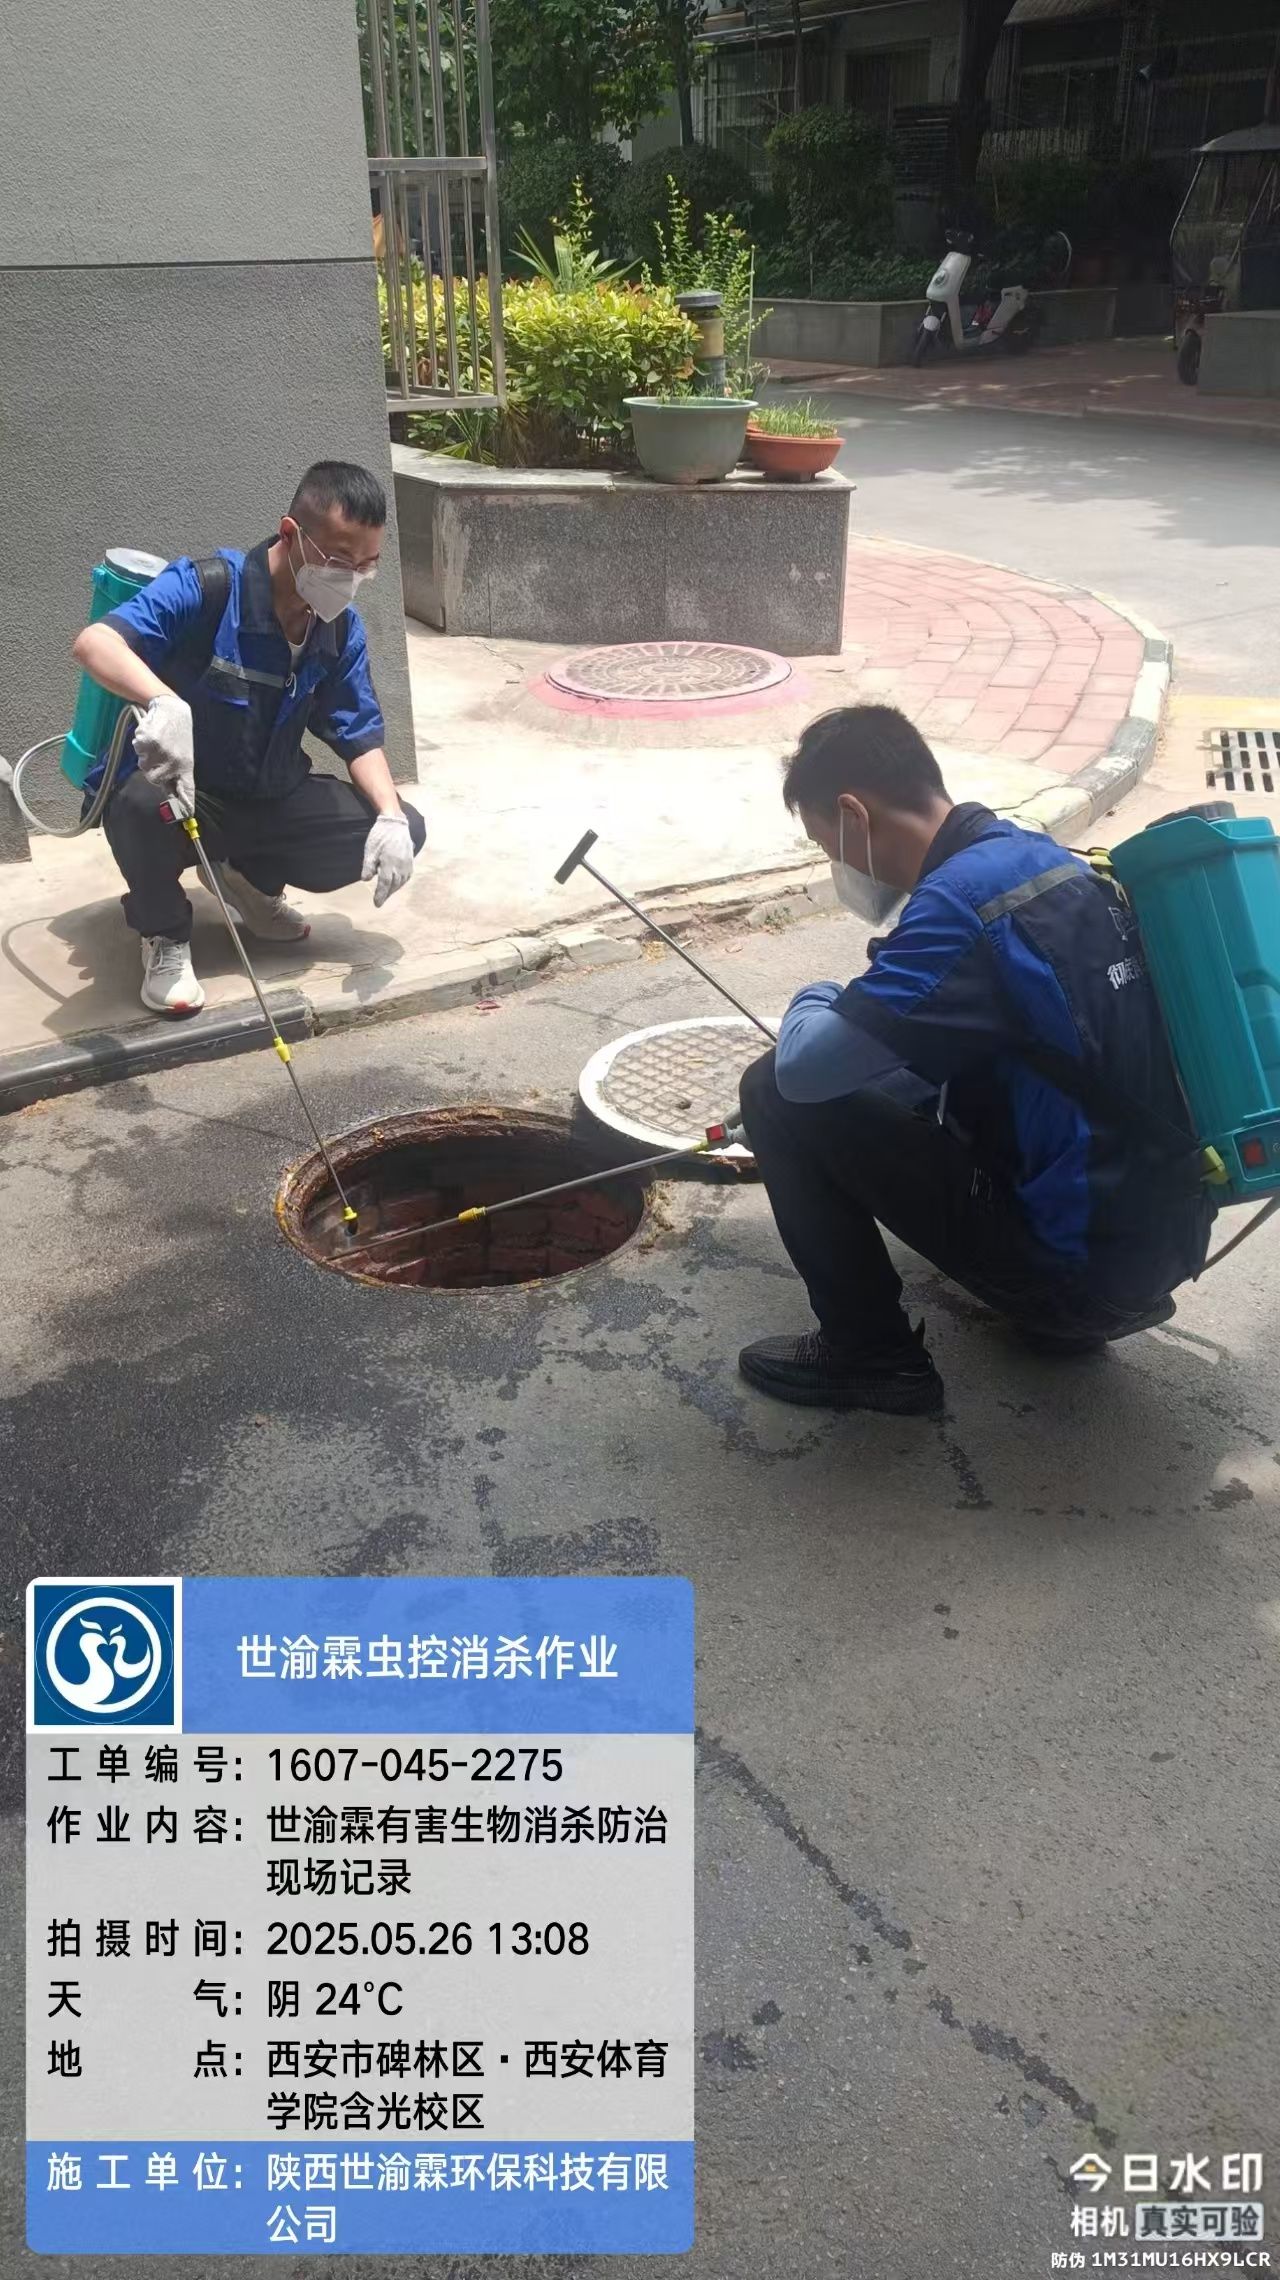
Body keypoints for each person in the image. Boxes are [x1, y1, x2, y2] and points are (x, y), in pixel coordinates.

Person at [736, 705, 1215, 1416]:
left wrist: (818, 995)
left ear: (853, 814)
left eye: (824, 843)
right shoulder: (1047, 862)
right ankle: (1064, 1306)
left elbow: (806, 1072)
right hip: (1155, 1249)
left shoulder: (959, 908)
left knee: (774, 1091)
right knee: (898, 1075)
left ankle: (871, 1356)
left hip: (1080, 1281)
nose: (837, 865)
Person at [72, 460, 426, 1015]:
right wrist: (162, 701)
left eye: (367, 564)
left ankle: (250, 881)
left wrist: (390, 817)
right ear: (291, 533)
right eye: (340, 560)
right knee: (137, 805)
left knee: (402, 824)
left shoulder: (337, 628)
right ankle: (165, 934)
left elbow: (358, 731)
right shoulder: (209, 587)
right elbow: (96, 643)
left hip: (270, 792)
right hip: (191, 796)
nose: (352, 577)